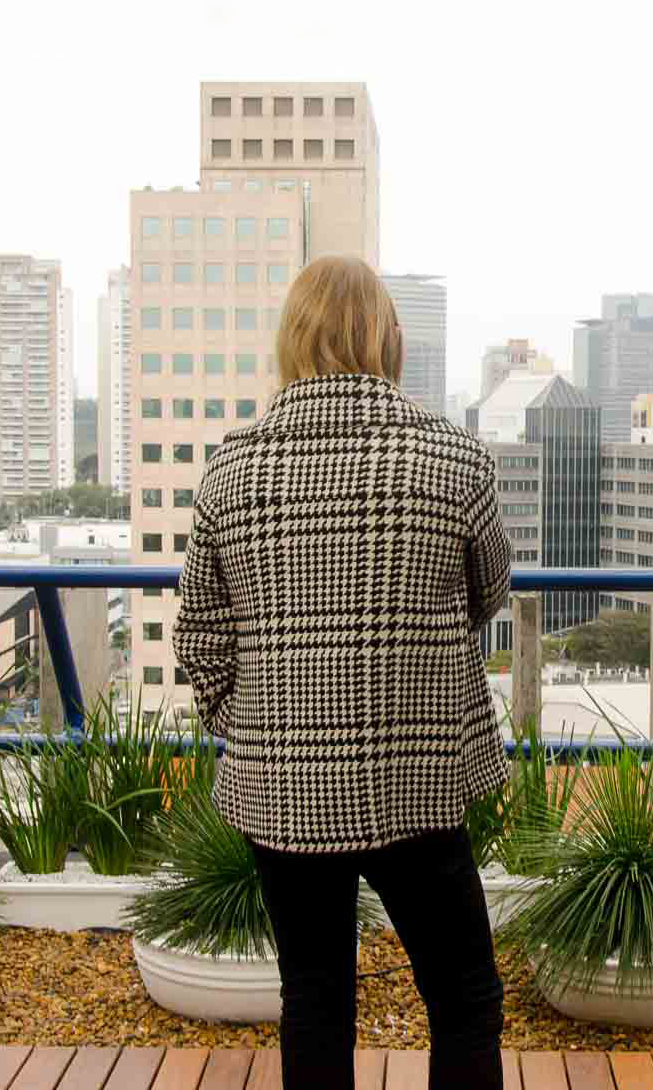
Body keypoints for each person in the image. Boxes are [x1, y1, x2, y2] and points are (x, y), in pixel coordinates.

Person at [173, 255, 510, 1088]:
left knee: (315, 995)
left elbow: (201, 640)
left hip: (282, 782)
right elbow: (488, 593)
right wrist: (412, 664)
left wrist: (263, 731)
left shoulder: (231, 471)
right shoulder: (454, 460)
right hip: (418, 773)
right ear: (388, 339)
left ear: (292, 341)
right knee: (464, 992)